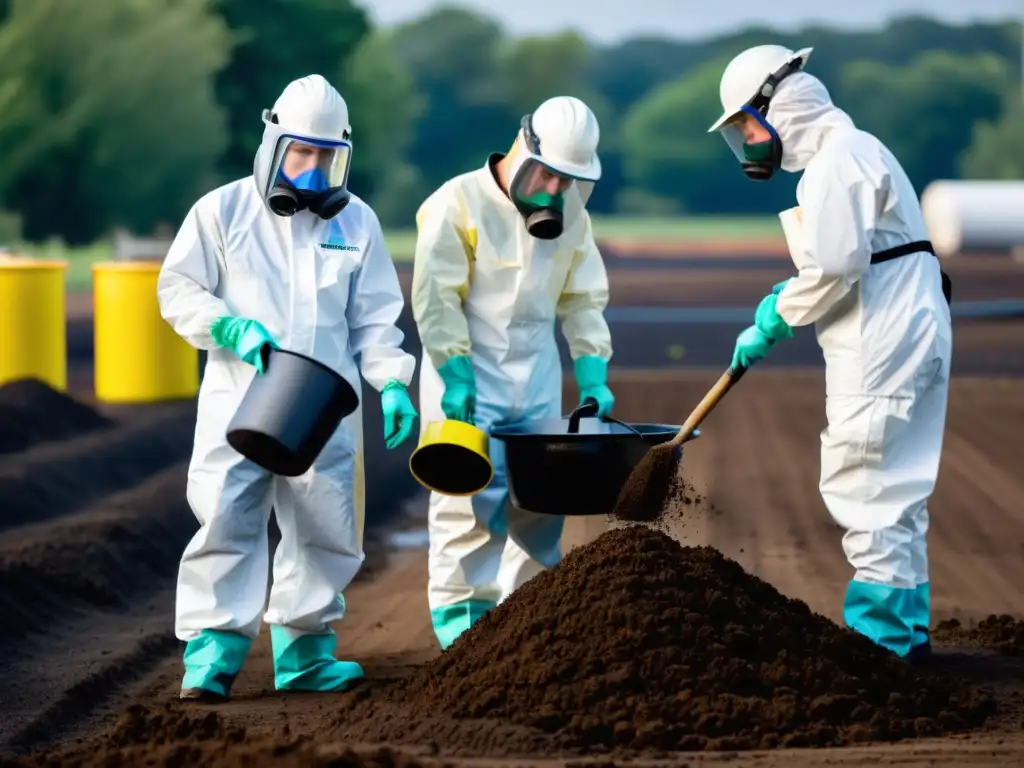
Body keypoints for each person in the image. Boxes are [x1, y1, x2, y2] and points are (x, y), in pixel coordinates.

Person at [157, 74, 419, 701]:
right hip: (240, 393)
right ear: (274, 143)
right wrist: (225, 324)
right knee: (226, 511)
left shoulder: (355, 222)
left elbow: (376, 318)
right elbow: (178, 288)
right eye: (302, 152)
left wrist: (393, 382)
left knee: (326, 517)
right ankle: (212, 653)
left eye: (327, 157)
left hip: (325, 404)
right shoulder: (221, 212)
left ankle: (304, 651)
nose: (313, 168)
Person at [709, 45, 953, 662]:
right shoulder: (862, 149)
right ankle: (907, 633)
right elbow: (852, 256)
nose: (747, 142)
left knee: (865, 479)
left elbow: (835, 266)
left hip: (882, 341)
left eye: (744, 126)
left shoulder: (834, 164)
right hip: (912, 328)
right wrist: (793, 291)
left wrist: (774, 318)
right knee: (896, 483)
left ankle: (882, 646)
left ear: (779, 109)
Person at [411, 95, 614, 649]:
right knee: (469, 503)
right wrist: (454, 374)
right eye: (547, 175)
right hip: (466, 373)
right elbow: (436, 297)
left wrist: (592, 372)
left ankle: (529, 623)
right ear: (524, 149)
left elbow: (583, 299)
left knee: (541, 501)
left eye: (567, 181)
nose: (554, 191)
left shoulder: (572, 215)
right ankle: (464, 631)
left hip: (537, 374)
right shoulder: (456, 202)